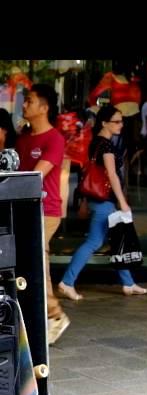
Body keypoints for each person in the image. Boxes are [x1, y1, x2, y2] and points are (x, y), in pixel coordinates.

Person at [58, 105, 147, 300]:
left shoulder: (96, 143)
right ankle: (67, 282)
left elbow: (89, 173)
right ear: (104, 123)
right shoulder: (106, 145)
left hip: (97, 200)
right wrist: (123, 202)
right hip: (104, 201)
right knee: (95, 242)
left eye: (121, 121)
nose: (121, 125)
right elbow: (113, 176)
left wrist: (84, 200)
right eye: (116, 121)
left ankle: (128, 283)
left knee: (116, 240)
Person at [15, 84, 70, 345]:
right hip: (23, 208)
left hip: (46, 211)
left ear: (44, 108)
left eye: (30, 101)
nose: (25, 105)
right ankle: (41, 315)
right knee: (31, 261)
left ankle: (54, 315)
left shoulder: (54, 139)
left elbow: (37, 176)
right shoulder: (23, 138)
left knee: (38, 260)